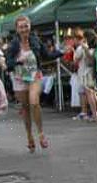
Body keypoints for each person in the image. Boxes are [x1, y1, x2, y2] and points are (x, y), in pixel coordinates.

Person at [5, 16, 61, 152]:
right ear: (17, 29)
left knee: (34, 102)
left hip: (35, 75)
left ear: (30, 26)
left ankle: (41, 134)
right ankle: (29, 135)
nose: (24, 29)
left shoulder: (36, 40)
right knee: (25, 108)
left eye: (26, 26)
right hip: (19, 78)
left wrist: (61, 53)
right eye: (21, 27)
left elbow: (46, 55)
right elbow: (8, 63)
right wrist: (18, 61)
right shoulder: (13, 45)